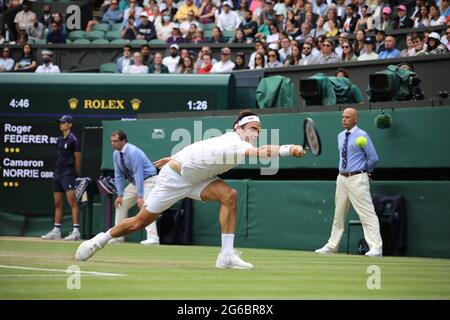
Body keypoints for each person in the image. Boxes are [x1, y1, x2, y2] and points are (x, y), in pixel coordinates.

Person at [76, 110, 306, 268]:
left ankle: (226, 255)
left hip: (198, 178)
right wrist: (288, 148)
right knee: (140, 222)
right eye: (253, 128)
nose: (256, 133)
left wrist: (174, 157)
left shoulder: (229, 139)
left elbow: (197, 149)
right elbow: (261, 153)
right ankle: (99, 240)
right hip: (174, 179)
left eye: (258, 130)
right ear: (240, 128)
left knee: (230, 196)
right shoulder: (235, 142)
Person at [315, 108, 382, 257]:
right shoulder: (340, 136)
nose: (344, 119)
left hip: (357, 178)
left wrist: (364, 172)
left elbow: (373, 158)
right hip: (341, 179)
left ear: (355, 119)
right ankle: (332, 245)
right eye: (342, 117)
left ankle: (376, 247)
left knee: (366, 213)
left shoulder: (362, 135)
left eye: (347, 117)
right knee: (338, 214)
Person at [108, 130, 160, 245]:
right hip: (135, 183)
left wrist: (140, 196)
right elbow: (118, 174)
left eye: (116, 141)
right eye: (112, 141)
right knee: (121, 204)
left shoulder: (133, 151)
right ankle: (118, 236)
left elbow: (138, 173)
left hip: (149, 180)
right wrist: (120, 195)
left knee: (147, 207)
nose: (113, 144)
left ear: (123, 141)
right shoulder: (116, 154)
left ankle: (153, 238)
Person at [42, 115, 81, 241]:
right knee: (58, 203)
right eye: (60, 123)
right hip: (58, 174)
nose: (61, 125)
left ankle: (76, 232)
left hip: (68, 174)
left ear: (69, 124)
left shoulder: (73, 140)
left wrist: (75, 174)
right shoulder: (59, 140)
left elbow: (78, 158)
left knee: (72, 203)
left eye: (63, 123)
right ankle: (56, 231)